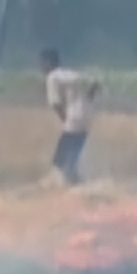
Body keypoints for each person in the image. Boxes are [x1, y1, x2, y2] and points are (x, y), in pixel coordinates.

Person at [40, 47, 100, 185]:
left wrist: (66, 120)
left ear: (48, 63)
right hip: (87, 117)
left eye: (42, 63)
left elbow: (56, 104)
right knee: (71, 157)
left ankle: (72, 185)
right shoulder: (70, 73)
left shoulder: (52, 77)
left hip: (74, 118)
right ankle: (77, 182)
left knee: (60, 161)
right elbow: (95, 85)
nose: (41, 67)